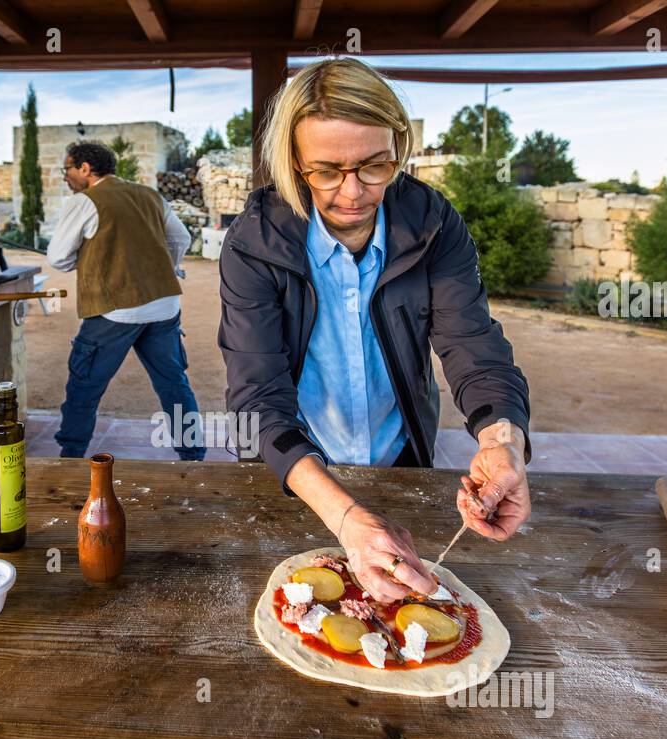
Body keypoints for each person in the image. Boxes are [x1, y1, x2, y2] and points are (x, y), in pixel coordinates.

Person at [218, 57, 533, 602]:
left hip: (403, 463)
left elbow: (472, 345)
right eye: (325, 171)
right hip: (296, 475)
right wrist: (344, 517)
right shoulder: (254, 243)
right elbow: (256, 398)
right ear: (294, 163)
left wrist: (503, 442)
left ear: (400, 147)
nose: (353, 193)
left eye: (374, 166)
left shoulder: (434, 223)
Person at [47, 140, 205, 460]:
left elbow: (59, 258)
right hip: (164, 306)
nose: (65, 177)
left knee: (85, 385)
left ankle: (71, 454)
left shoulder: (84, 202)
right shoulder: (150, 195)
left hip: (114, 311)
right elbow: (180, 238)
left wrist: (96, 258)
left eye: (67, 169)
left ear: (85, 169)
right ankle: (193, 454)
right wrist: (169, 265)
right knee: (174, 384)